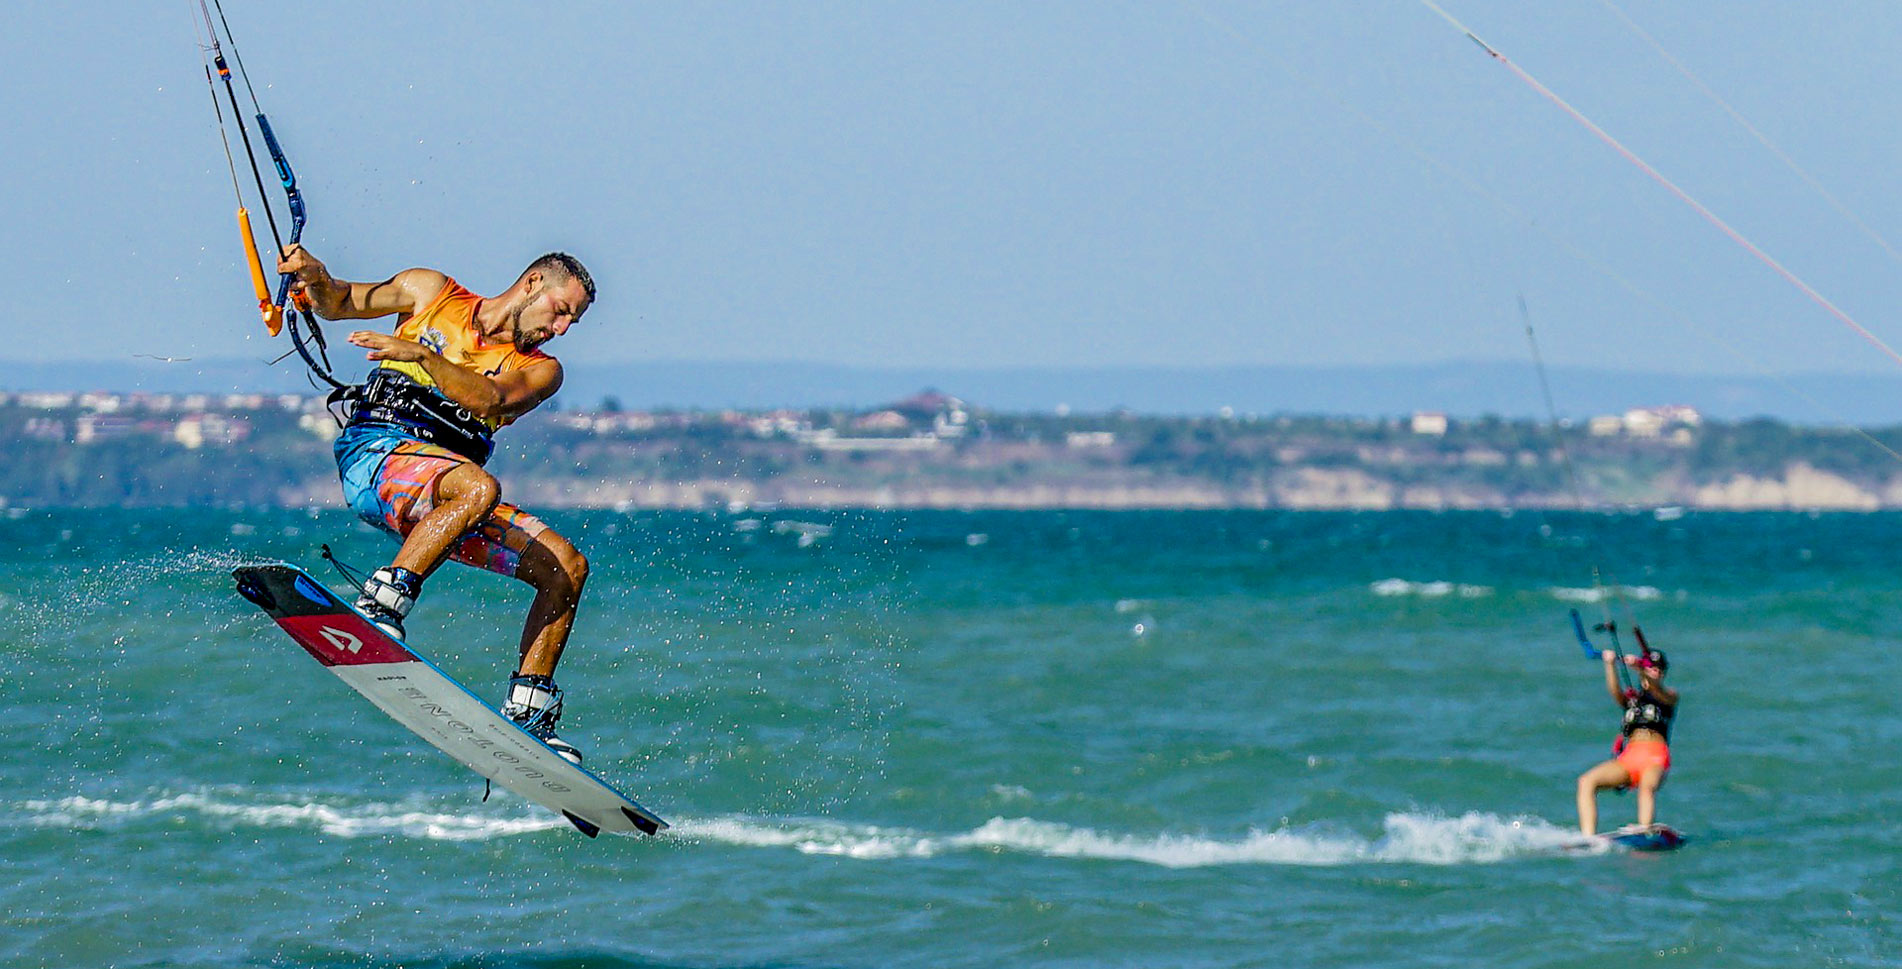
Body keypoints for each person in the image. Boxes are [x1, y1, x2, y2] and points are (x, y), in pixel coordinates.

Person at [276, 243, 596, 765]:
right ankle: (380, 606)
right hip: (377, 456)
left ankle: (529, 715)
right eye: (562, 311)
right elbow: (336, 302)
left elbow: (492, 401)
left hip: (450, 497)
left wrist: (423, 357)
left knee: (565, 568)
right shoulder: (431, 291)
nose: (561, 329)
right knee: (477, 488)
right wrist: (315, 277)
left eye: (573, 322)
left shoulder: (542, 370)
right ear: (533, 283)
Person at [1575, 647, 1677, 836]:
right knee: (1586, 781)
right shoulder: (1632, 700)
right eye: (1652, 668)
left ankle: (1645, 830)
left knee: (1647, 787)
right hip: (1630, 757)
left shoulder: (1669, 697)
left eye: (1659, 669)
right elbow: (1615, 691)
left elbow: (1655, 687)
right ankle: (1588, 837)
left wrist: (1639, 667)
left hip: (1655, 757)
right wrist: (1610, 664)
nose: (1656, 672)